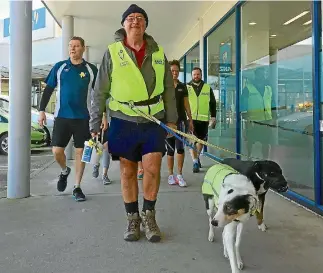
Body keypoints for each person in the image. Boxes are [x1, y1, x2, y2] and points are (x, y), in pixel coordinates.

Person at [89, 4, 177, 242]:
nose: (135, 21)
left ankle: (149, 216)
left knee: (152, 168)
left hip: (153, 119)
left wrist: (172, 119)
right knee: (127, 172)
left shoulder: (158, 53)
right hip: (122, 119)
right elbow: (100, 90)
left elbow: (169, 88)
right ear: (123, 25)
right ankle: (132, 219)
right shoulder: (112, 51)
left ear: (145, 24)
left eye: (140, 18)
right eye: (130, 18)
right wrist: (96, 121)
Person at [38, 36, 98, 202]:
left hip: (83, 119)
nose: (72, 49)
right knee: (57, 151)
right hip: (62, 117)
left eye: (76, 46)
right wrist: (42, 110)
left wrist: (102, 116)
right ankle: (65, 171)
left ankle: (77, 187)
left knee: (82, 153)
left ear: (83, 48)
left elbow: (99, 95)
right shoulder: (60, 67)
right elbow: (49, 89)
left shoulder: (91, 70)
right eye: (70, 46)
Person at [166, 60, 193, 187]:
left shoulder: (183, 87)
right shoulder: (164, 86)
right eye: (172, 71)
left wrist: (190, 119)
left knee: (180, 149)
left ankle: (180, 175)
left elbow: (186, 104)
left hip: (181, 122)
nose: (175, 73)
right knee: (170, 150)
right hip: (168, 123)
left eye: (177, 71)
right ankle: (171, 175)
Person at [241, 67, 277, 159]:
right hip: (253, 120)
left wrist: (274, 117)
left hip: (266, 120)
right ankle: (248, 157)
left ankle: (265, 160)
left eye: (264, 74)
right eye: (260, 74)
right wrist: (245, 118)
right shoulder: (248, 88)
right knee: (250, 141)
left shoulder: (269, 88)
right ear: (256, 75)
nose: (262, 76)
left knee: (266, 142)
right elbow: (243, 104)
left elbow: (272, 103)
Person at [187, 67, 217, 173]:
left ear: (201, 75)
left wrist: (213, 116)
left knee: (201, 141)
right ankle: (195, 161)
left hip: (203, 119)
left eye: (198, 74)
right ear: (192, 75)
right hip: (190, 119)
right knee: (191, 141)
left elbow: (212, 103)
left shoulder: (207, 88)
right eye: (194, 74)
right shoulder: (187, 87)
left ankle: (197, 156)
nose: (196, 76)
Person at [92, 111, 111, 185]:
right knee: (97, 145)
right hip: (95, 120)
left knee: (106, 147)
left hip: (107, 120)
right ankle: (96, 164)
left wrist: (104, 117)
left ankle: (104, 174)